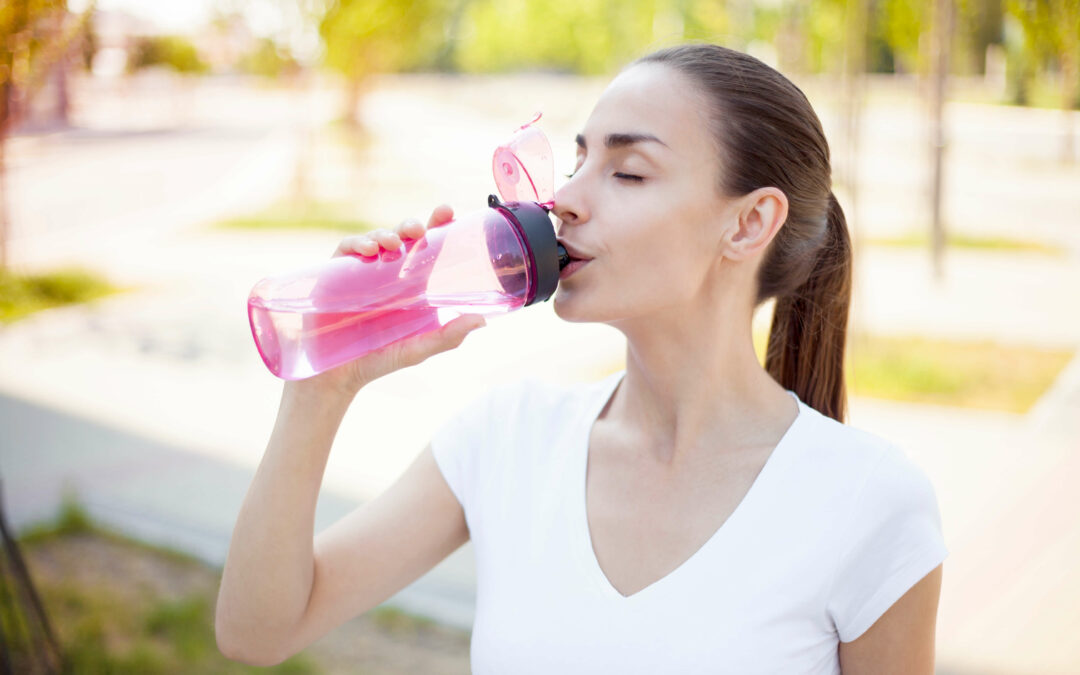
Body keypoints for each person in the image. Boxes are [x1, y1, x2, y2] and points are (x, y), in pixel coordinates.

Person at [215, 43, 947, 673]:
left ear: (749, 221)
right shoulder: (508, 437)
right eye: (577, 160)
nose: (562, 199)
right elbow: (257, 629)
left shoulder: (869, 503)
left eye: (627, 172)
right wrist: (325, 383)